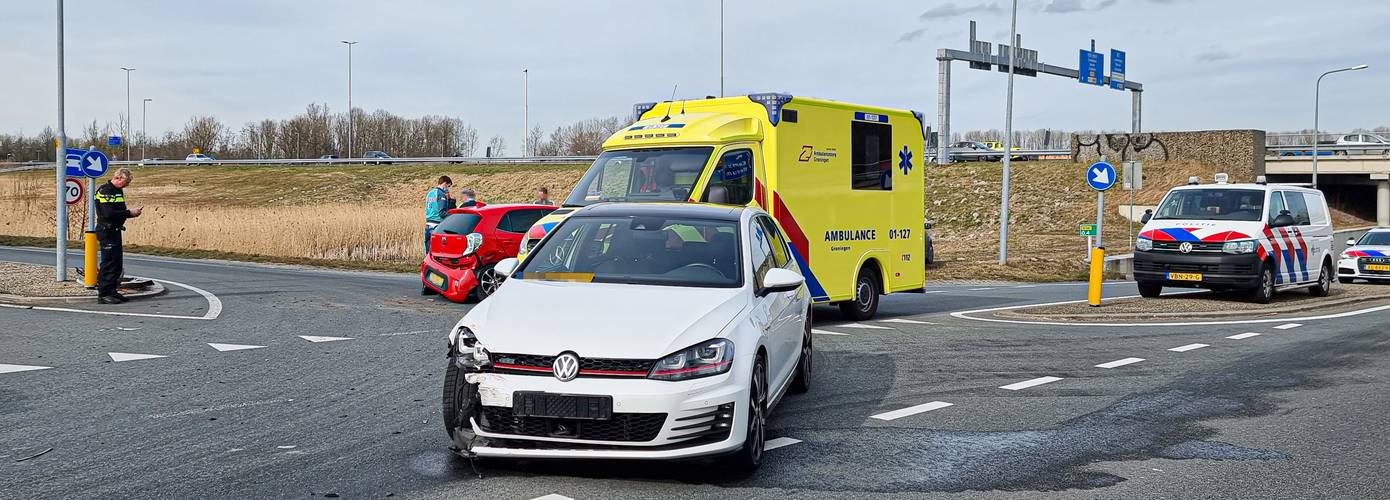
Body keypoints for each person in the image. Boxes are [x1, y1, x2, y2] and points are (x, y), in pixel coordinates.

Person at [94, 168, 142, 304]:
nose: (127, 185)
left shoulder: (117, 191)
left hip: (115, 230)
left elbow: (119, 211)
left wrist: (129, 214)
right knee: (108, 263)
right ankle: (103, 294)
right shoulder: (105, 191)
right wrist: (129, 213)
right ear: (119, 178)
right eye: (126, 182)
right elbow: (109, 213)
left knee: (117, 264)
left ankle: (112, 291)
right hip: (106, 230)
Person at [424, 176, 455, 253]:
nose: (448, 189)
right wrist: (453, 216)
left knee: (428, 252)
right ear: (445, 183)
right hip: (437, 224)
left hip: (428, 224)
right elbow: (442, 213)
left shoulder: (430, 193)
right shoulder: (441, 194)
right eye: (448, 186)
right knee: (438, 252)